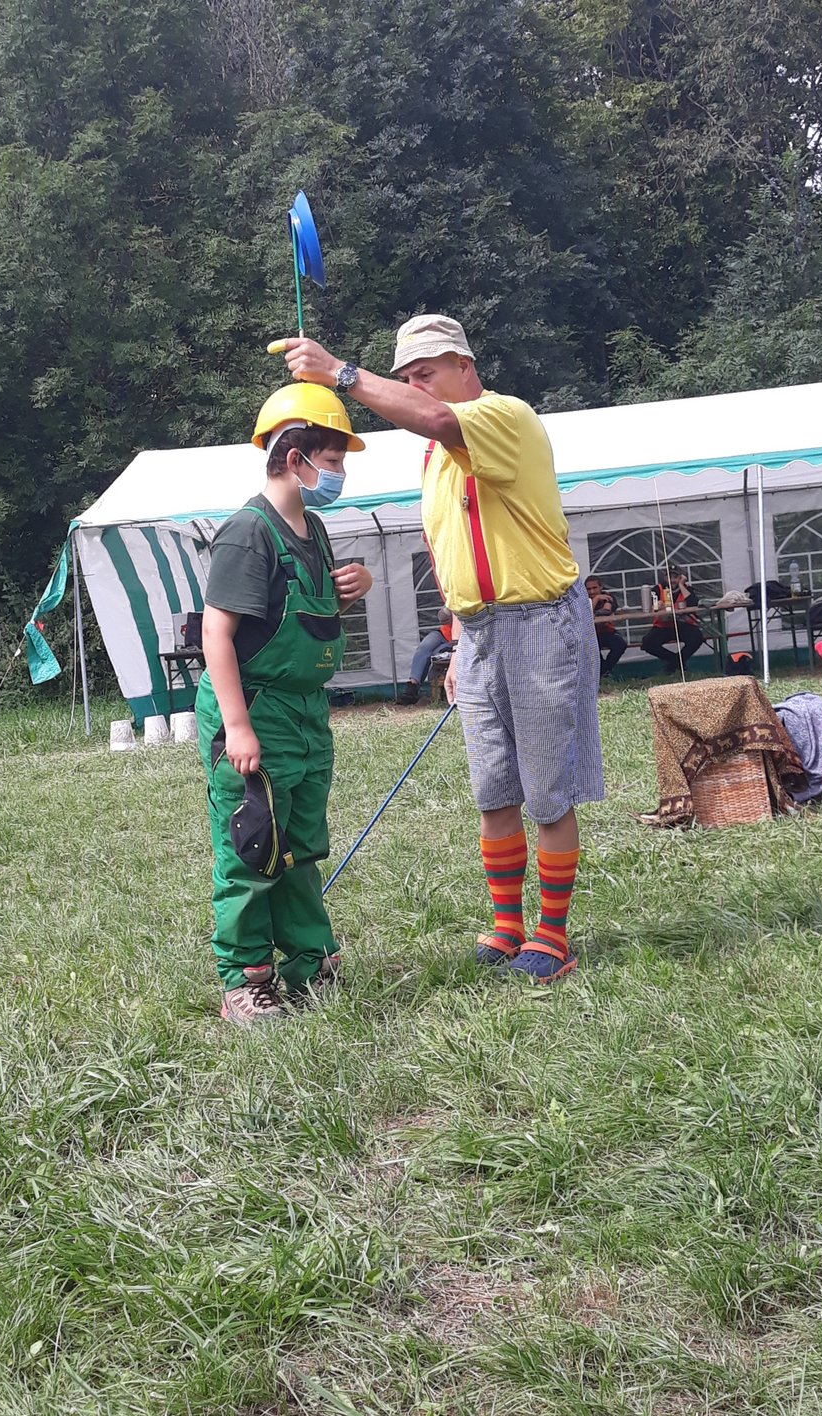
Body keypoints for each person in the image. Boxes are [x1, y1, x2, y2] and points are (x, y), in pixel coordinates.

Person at [280, 314, 602, 985]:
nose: (414, 389)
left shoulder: (504, 417)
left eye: (424, 374)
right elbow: (451, 549)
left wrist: (339, 374)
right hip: (479, 632)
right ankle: (508, 926)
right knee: (493, 788)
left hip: (540, 622)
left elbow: (436, 419)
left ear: (464, 364)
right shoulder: (436, 459)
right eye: (406, 378)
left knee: (547, 791)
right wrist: (456, 641)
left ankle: (553, 933)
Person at [196, 384, 374, 1025]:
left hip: (305, 713)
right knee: (253, 845)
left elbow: (303, 615)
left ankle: (309, 960)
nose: (340, 475)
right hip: (256, 710)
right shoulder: (248, 532)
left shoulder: (313, 528)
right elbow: (216, 634)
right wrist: (237, 727)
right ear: (295, 458)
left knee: (300, 844)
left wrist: (355, 587)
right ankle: (245, 980)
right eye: (332, 461)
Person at [639, 565, 706, 672]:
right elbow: (651, 610)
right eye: (669, 577)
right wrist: (658, 607)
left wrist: (681, 585)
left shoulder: (687, 588)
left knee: (697, 637)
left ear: (680, 578)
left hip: (683, 625)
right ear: (665, 578)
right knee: (648, 643)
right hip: (663, 626)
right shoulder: (657, 589)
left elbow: (693, 603)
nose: (672, 580)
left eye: (675, 577)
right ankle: (677, 662)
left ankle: (672, 666)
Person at [397, 606, 454, 704]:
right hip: (442, 633)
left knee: (436, 654)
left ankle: (431, 691)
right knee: (423, 649)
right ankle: (412, 686)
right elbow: (442, 615)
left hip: (454, 640)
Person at [585, 575, 626, 678]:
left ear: (601, 587)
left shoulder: (608, 596)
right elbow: (586, 615)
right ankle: (603, 673)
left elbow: (606, 612)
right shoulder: (582, 600)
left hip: (607, 631)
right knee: (591, 649)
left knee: (620, 645)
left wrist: (595, 612)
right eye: (588, 589)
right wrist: (595, 600)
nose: (592, 591)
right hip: (590, 634)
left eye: (594, 588)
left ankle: (604, 671)